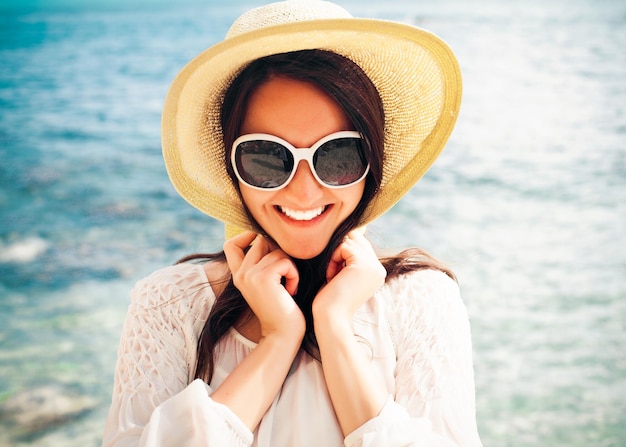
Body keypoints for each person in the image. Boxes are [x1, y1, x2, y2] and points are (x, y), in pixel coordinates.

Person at [102, 1, 482, 446]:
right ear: (231, 167)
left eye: (338, 155)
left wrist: (335, 326)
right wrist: (277, 340)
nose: (303, 192)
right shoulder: (168, 306)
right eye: (268, 156)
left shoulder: (421, 300)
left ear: (371, 162)